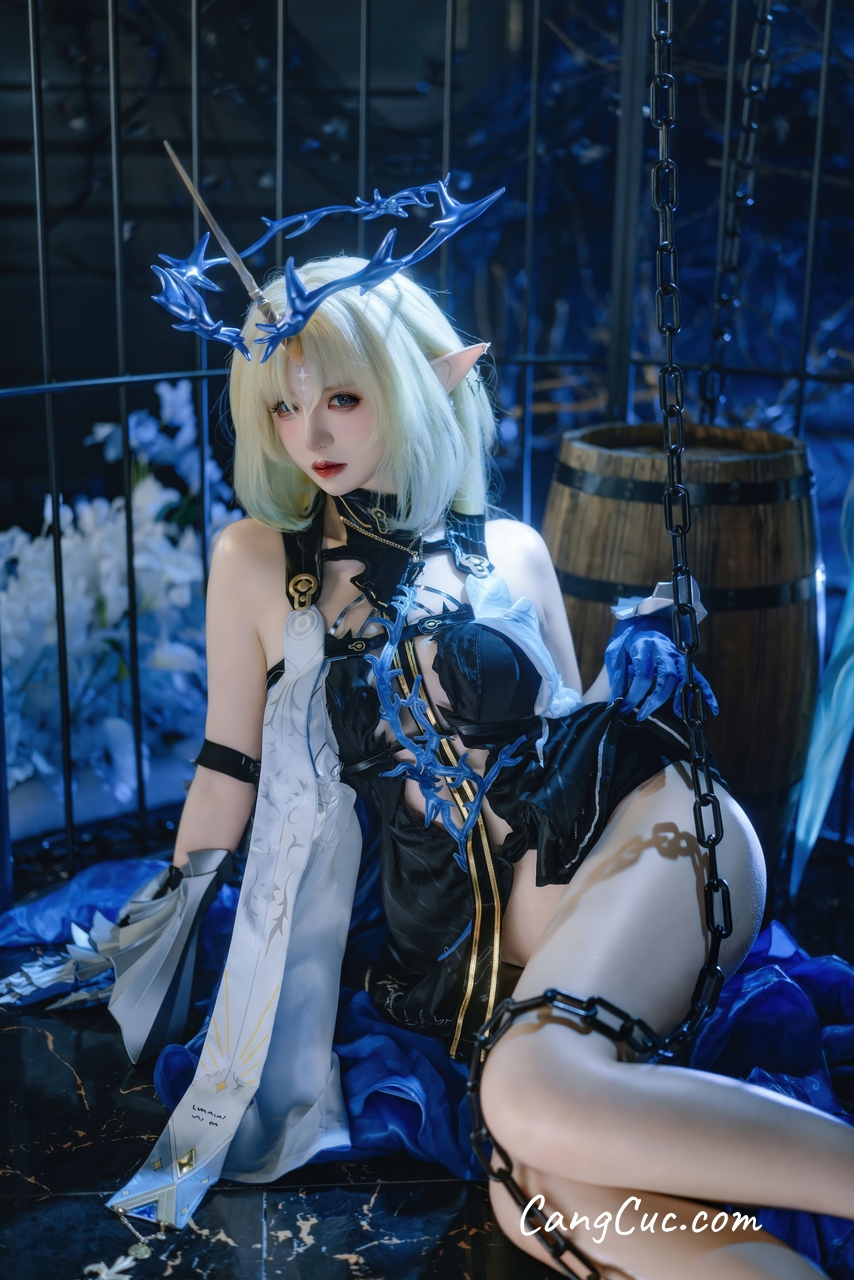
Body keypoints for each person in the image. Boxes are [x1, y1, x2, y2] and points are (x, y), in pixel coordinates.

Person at [2, 209, 852, 1274]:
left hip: (648, 844)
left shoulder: (510, 548)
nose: (311, 434)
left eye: (343, 398)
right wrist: (167, 926)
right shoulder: (256, 560)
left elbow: (568, 736)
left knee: (525, 1093)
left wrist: (638, 658)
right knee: (532, 1193)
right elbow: (228, 766)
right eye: (285, 406)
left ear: (417, 384)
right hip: (491, 954)